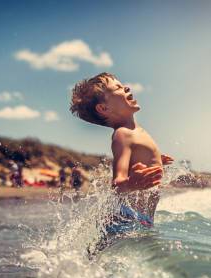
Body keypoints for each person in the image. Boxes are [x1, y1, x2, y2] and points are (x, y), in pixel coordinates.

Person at [69, 72, 173, 236]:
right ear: (104, 108)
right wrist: (132, 183)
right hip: (126, 219)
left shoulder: (136, 132)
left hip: (141, 219)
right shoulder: (122, 134)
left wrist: (156, 160)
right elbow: (117, 183)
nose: (126, 87)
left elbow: (136, 158)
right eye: (118, 88)